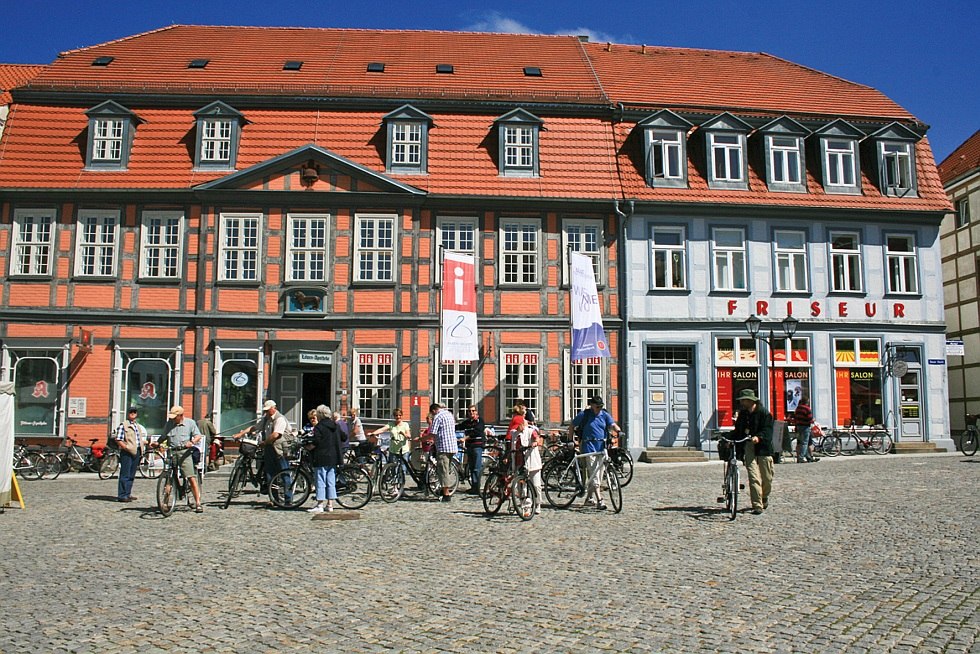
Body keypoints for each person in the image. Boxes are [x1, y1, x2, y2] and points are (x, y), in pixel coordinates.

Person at [568, 395, 621, 510]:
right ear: (592, 405)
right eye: (597, 406)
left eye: (601, 406)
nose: (599, 408)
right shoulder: (585, 415)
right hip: (588, 446)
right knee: (594, 474)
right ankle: (600, 500)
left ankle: (589, 498)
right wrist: (570, 440)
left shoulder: (604, 414)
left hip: (601, 448)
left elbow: (612, 424)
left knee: (598, 475)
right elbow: (572, 425)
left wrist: (619, 430)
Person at [733, 389, 774, 515]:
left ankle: (764, 496)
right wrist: (731, 438)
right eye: (742, 400)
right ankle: (757, 505)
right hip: (748, 445)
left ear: (751, 400)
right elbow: (738, 430)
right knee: (753, 476)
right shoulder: (743, 414)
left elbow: (768, 430)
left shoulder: (764, 413)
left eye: (744, 400)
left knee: (767, 478)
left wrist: (759, 437)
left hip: (764, 447)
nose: (742, 403)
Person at [160, 405, 204, 512]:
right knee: (169, 478)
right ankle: (165, 502)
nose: (173, 419)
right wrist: (157, 443)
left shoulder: (190, 423)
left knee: (190, 476)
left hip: (185, 452)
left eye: (175, 417)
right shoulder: (169, 424)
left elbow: (198, 435)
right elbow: (164, 436)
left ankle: (198, 502)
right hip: (172, 452)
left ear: (181, 415)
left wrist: (192, 442)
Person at [308, 405, 344, 513]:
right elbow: (344, 437)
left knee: (320, 480)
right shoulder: (335, 426)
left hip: (322, 456)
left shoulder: (320, 427)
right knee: (331, 481)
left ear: (320, 415)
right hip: (334, 457)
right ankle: (330, 505)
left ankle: (320, 505)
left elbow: (316, 441)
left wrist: (309, 447)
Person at [257, 400, 292, 501]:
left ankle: (288, 499)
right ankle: (274, 499)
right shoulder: (266, 419)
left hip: (280, 450)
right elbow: (255, 427)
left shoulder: (280, 418)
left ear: (274, 408)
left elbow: (275, 434)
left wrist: (264, 442)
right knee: (270, 474)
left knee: (284, 473)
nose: (266, 412)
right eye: (265, 411)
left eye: (268, 410)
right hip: (269, 448)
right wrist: (241, 433)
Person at [114, 406, 146, 503]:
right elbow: (118, 439)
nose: (133, 414)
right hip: (127, 452)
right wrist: (126, 447)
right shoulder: (123, 425)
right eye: (131, 412)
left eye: (134, 412)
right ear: (128, 414)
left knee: (132, 474)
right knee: (125, 474)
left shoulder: (137, 426)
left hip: (137, 451)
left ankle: (128, 493)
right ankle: (122, 495)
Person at [428, 402, 457, 502]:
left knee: (443, 471)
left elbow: (432, 433)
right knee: (447, 469)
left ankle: (446, 494)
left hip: (443, 447)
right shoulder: (449, 414)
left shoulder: (438, 417)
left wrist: (420, 439)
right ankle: (444, 489)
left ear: (433, 411)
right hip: (452, 446)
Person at [456, 405, 486, 492]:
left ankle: (477, 488)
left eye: (473, 411)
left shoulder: (480, 421)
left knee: (477, 467)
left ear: (476, 412)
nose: (471, 413)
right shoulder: (467, 422)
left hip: (477, 446)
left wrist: (465, 438)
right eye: (469, 411)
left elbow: (476, 431)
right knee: (471, 467)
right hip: (470, 446)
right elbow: (459, 427)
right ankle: (474, 487)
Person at [793, 396, 818, 464]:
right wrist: (813, 420)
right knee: (805, 443)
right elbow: (810, 419)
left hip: (798, 427)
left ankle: (807, 457)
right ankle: (801, 458)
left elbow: (795, 417)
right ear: (807, 402)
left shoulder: (798, 408)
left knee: (800, 442)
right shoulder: (807, 409)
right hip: (805, 427)